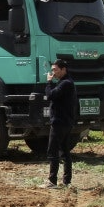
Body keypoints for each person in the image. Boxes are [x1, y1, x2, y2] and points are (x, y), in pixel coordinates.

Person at [44, 59, 78, 188]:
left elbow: (50, 95)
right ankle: (66, 181)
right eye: (52, 70)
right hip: (66, 122)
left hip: (60, 122)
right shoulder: (66, 83)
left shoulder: (65, 84)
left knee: (53, 151)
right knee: (64, 151)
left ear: (64, 69)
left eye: (56, 70)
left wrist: (48, 82)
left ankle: (52, 181)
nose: (53, 72)